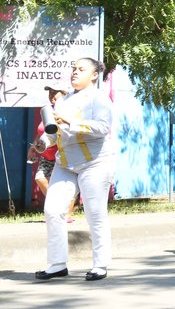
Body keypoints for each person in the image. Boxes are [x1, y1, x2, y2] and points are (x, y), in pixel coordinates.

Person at [33, 58, 116, 281]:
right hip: (66, 163)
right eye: (73, 68)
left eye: (81, 69)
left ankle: (100, 264)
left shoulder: (99, 99)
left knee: (95, 212)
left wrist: (70, 121)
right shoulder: (65, 99)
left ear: (94, 75)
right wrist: (42, 144)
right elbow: (53, 133)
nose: (74, 72)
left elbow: (102, 127)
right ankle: (57, 265)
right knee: (53, 210)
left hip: (95, 163)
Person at [29, 83, 77, 222]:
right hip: (45, 154)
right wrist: (33, 147)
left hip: (61, 154)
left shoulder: (67, 109)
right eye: (49, 93)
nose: (51, 96)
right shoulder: (47, 110)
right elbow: (41, 132)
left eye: (54, 92)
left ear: (63, 93)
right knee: (40, 178)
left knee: (67, 184)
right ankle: (57, 207)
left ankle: (65, 214)